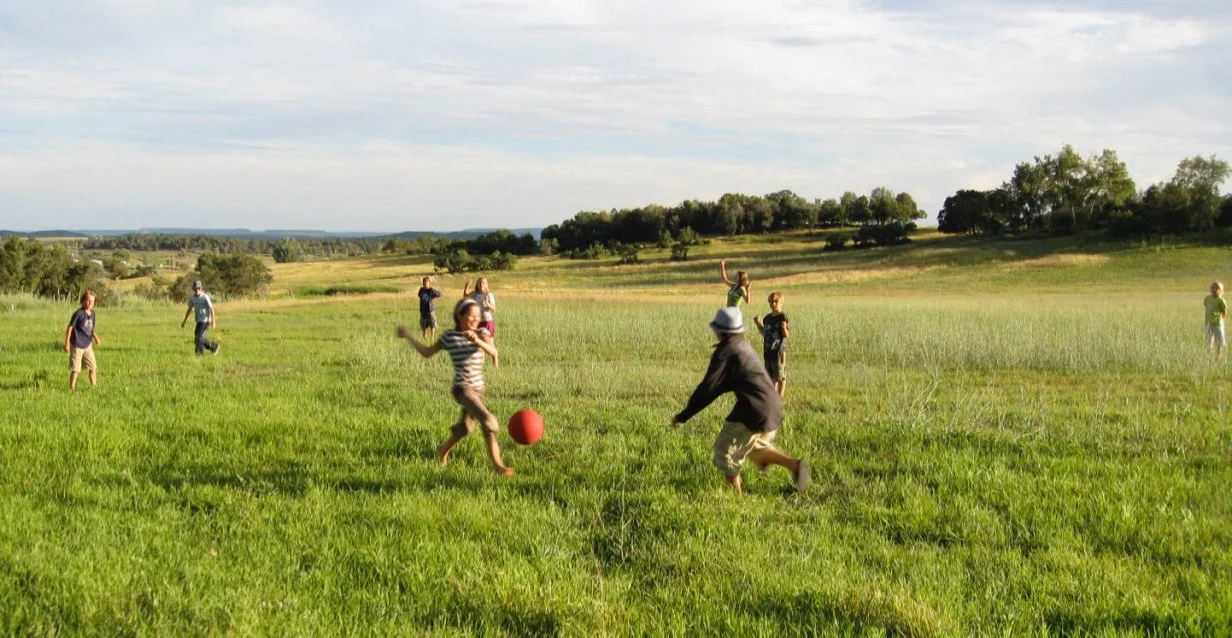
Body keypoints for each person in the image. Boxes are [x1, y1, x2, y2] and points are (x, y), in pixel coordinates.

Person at [670, 307, 808, 494]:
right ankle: (795, 466)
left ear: (720, 331)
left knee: (725, 452)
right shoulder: (742, 346)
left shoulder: (726, 352)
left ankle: (737, 499)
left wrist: (683, 416)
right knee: (752, 446)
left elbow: (708, 389)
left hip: (755, 409)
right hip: (771, 405)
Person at [396, 298, 514, 476]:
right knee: (487, 421)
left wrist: (477, 341)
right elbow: (427, 353)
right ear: (459, 316)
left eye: (478, 316)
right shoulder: (449, 337)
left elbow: (493, 352)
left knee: (465, 428)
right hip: (462, 389)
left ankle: (442, 452)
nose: (475, 319)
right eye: (471, 315)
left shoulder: (482, 333)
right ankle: (498, 466)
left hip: (478, 389)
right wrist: (408, 336)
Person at [63, 289, 102, 390]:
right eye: (88, 300)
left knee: (93, 367)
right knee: (76, 369)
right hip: (77, 345)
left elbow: (90, 328)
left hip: (87, 345)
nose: (90, 303)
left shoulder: (93, 313)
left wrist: (96, 338)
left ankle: (93, 387)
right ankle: (71, 388)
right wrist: (66, 344)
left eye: (92, 301)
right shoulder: (78, 314)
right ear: (83, 300)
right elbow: (70, 327)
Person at [754, 292, 790, 398]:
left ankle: (780, 397)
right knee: (770, 376)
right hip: (768, 350)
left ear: (781, 303)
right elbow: (764, 333)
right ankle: (772, 396)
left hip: (779, 352)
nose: (773, 304)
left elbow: (787, 335)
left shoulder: (783, 317)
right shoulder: (767, 318)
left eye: (776, 302)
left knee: (780, 375)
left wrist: (784, 328)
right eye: (771, 302)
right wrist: (757, 323)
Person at [463, 276, 498, 366]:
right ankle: (482, 367)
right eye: (480, 283)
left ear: (486, 285)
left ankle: (496, 366)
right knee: (480, 347)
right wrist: (466, 286)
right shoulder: (475, 294)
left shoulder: (489, 295)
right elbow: (465, 297)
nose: (481, 284)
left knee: (490, 346)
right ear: (477, 285)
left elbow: (494, 308)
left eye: (483, 283)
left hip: (487, 322)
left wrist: (487, 304)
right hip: (478, 323)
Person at [181, 280, 219, 355]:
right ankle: (214, 347)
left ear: (201, 289)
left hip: (206, 321)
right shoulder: (192, 298)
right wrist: (184, 320)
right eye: (195, 289)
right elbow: (189, 309)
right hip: (199, 321)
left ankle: (199, 354)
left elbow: (212, 309)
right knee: (197, 338)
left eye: (198, 288)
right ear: (193, 289)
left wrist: (213, 322)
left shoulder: (205, 297)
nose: (197, 290)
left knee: (199, 338)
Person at [416, 276, 444, 341]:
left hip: (430, 310)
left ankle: (432, 337)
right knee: (424, 324)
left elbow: (440, 294)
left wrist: (432, 298)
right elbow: (419, 296)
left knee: (432, 324)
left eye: (427, 282)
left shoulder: (431, 290)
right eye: (424, 282)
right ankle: (424, 337)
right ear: (423, 283)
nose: (425, 283)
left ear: (429, 283)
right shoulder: (421, 290)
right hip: (423, 310)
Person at [1205, 281, 1227, 360]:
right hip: (1209, 324)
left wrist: (1219, 319)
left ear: (1221, 290)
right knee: (1208, 341)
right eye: (1212, 288)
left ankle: (1217, 357)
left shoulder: (1221, 300)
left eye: (1217, 288)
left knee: (1219, 341)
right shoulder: (1207, 298)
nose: (1214, 289)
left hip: (1218, 324)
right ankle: (1208, 357)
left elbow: (1224, 312)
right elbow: (1206, 308)